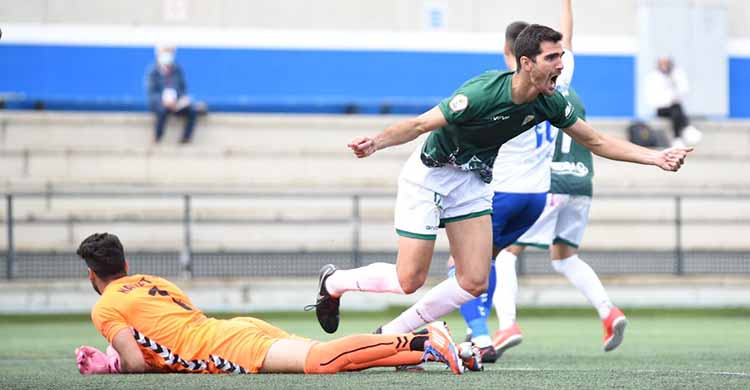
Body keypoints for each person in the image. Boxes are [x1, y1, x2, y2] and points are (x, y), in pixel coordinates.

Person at [308, 23, 692, 341]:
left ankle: (390, 334)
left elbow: (597, 141)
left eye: (561, 56)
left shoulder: (550, 101)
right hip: (429, 176)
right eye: (552, 57)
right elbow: (421, 124)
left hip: (473, 181)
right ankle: (335, 282)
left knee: (473, 281)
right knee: (409, 280)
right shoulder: (482, 92)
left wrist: (655, 157)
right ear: (526, 63)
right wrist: (376, 142)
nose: (561, 64)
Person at [73, 232, 470, 375]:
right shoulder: (149, 281)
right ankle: (429, 353)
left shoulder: (105, 306)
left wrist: (111, 367)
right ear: (126, 264)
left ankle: (423, 341)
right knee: (334, 359)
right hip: (231, 328)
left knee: (323, 361)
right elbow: (166, 327)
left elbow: (137, 363)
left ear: (92, 275)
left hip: (222, 346)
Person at [448, 0, 577, 363]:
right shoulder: (558, 80)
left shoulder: (513, 88)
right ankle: (493, 326)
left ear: (511, 52)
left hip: (501, 191)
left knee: (461, 263)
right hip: (536, 196)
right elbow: (567, 39)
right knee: (489, 258)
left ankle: (482, 334)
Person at [146, 45, 198, 144]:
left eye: (170, 52)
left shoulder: (177, 70)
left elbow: (183, 89)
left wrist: (179, 100)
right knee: (162, 111)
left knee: (192, 110)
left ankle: (186, 138)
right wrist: (163, 101)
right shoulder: (153, 72)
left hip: (176, 103)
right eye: (165, 52)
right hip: (160, 104)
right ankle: (157, 137)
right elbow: (151, 92)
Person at [645, 56, 702, 147]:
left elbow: (684, 90)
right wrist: (668, 101)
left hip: (674, 107)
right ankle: (686, 129)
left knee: (676, 109)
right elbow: (652, 97)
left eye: (667, 63)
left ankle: (678, 137)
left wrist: (673, 80)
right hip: (661, 109)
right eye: (662, 63)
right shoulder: (653, 77)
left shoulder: (676, 74)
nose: (665, 66)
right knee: (676, 109)